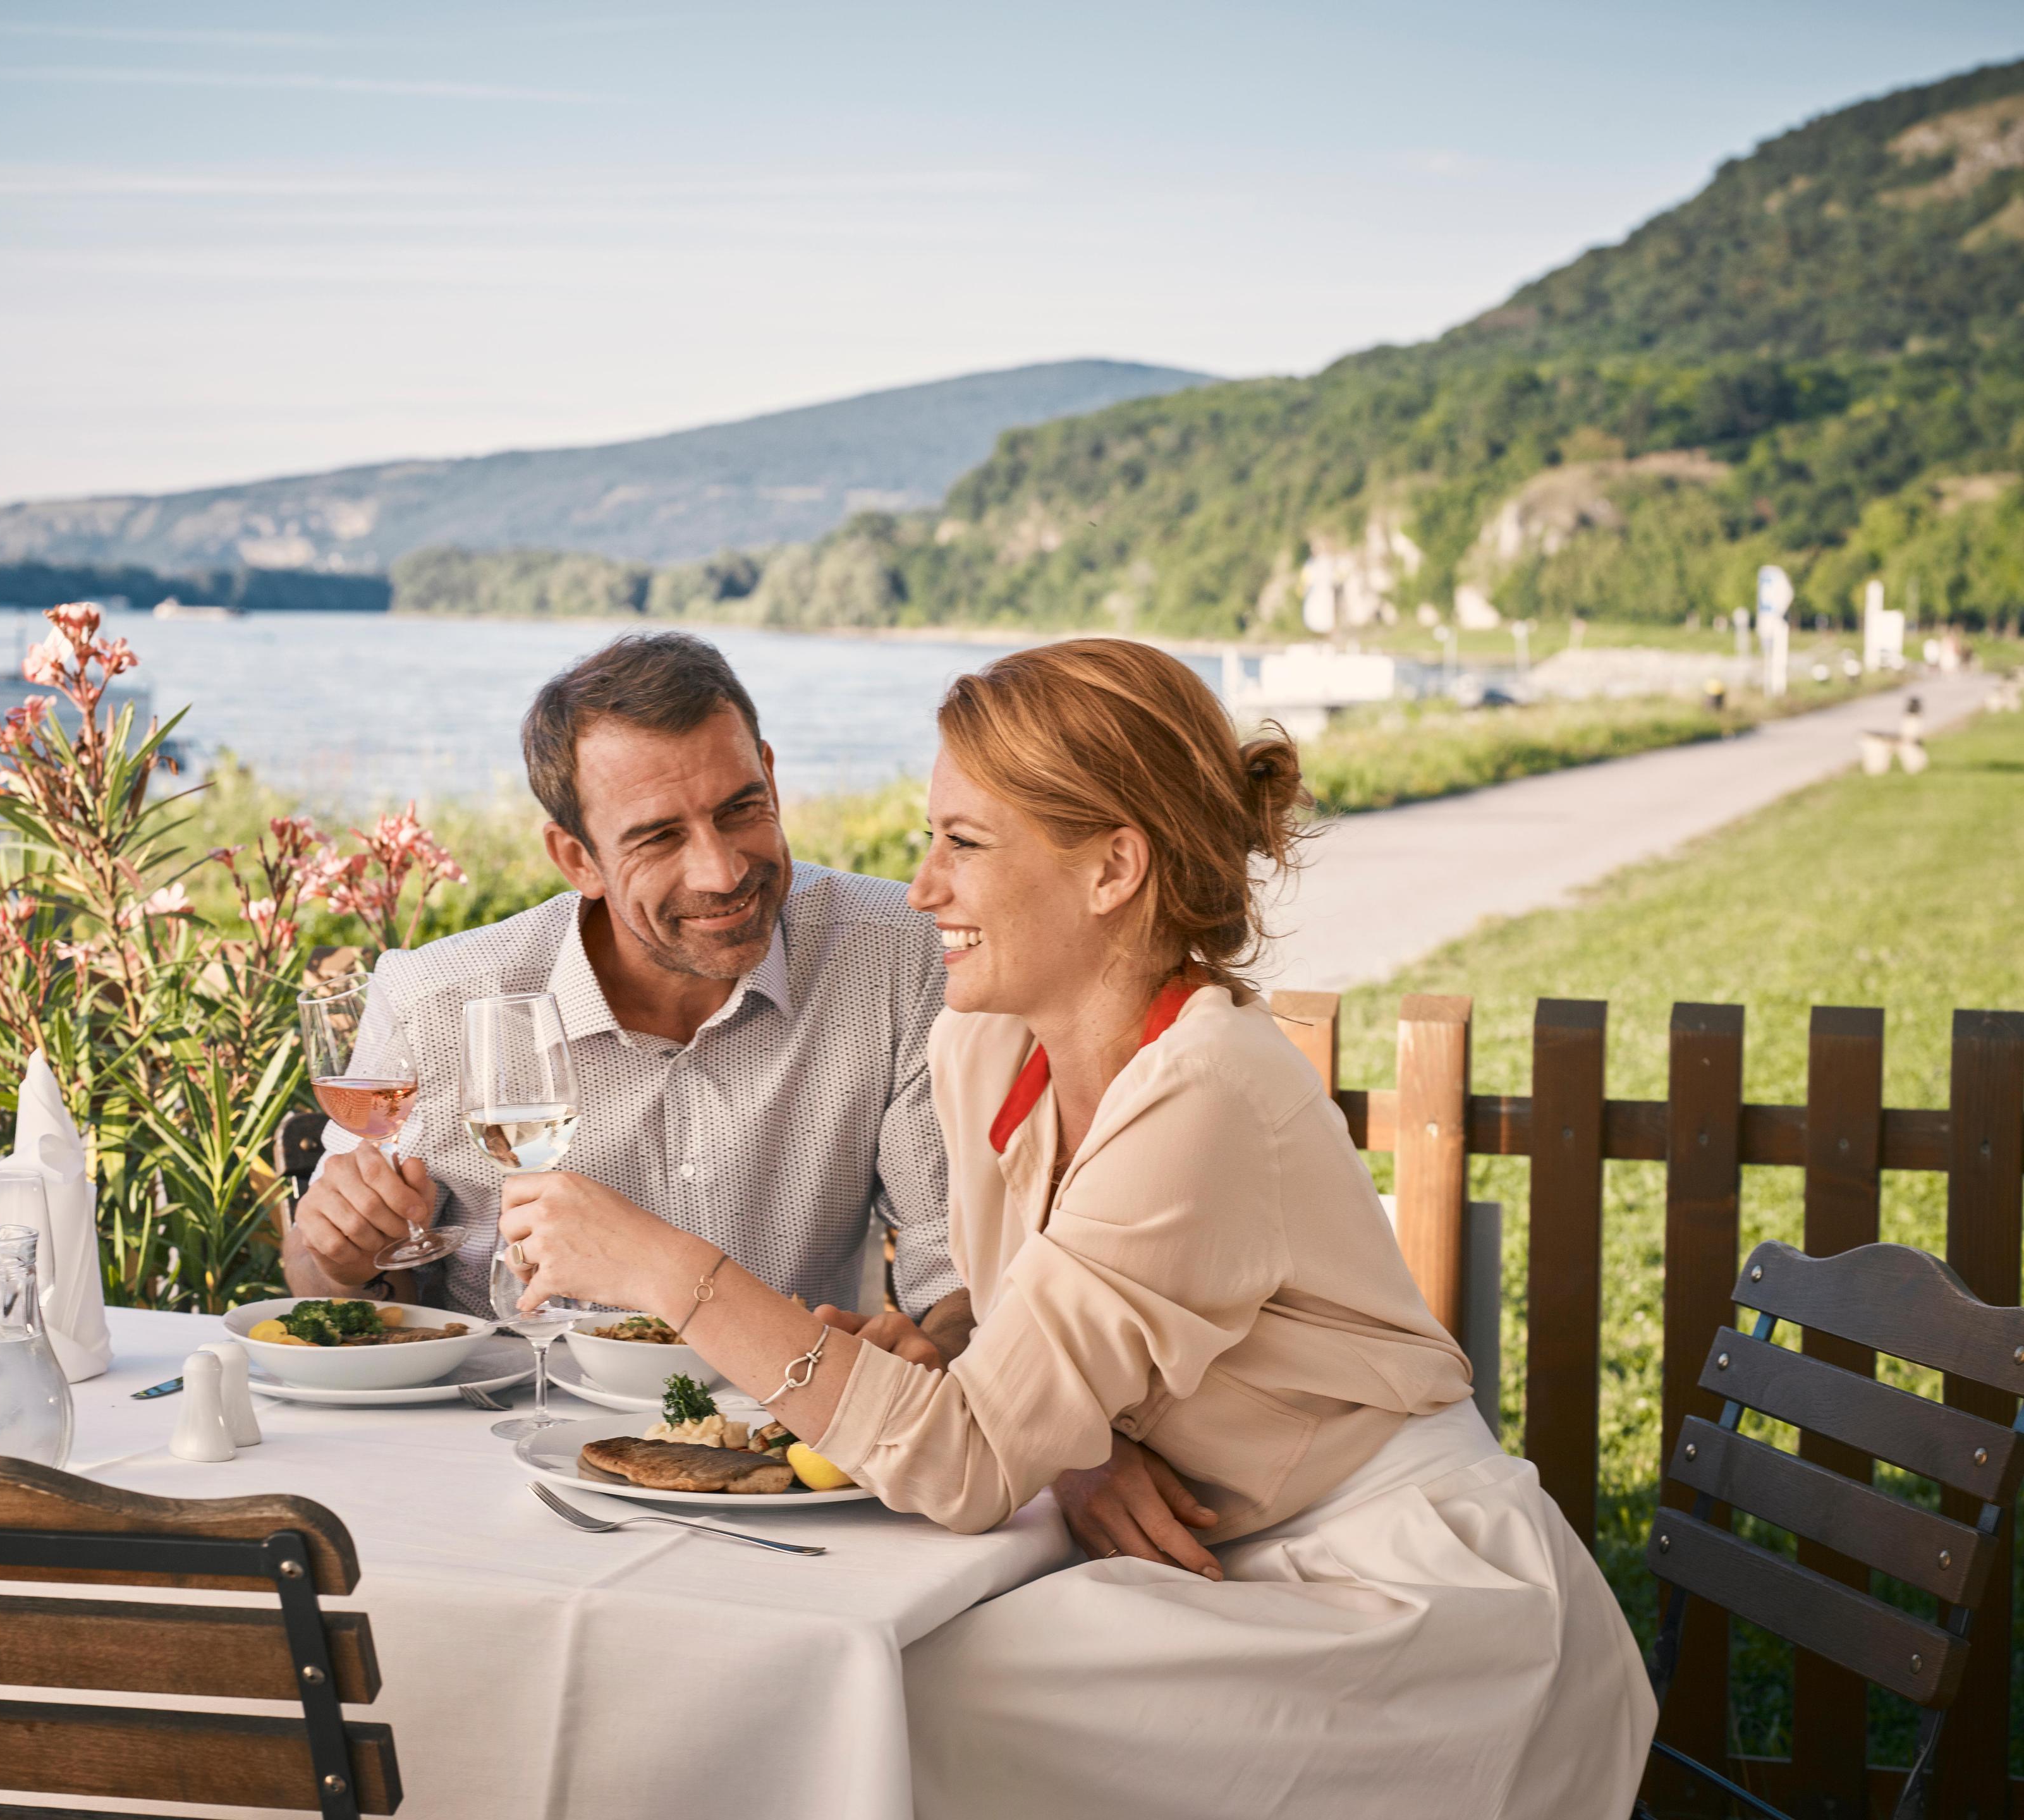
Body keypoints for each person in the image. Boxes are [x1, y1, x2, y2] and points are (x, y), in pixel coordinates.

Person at [496, 638, 1657, 1820]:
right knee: (848, 1672)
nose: (922, 889)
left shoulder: (1207, 1091)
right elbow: (1017, 1354)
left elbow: (966, 1465)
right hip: (1221, 1561)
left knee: (888, 1694)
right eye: (927, 838)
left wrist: (658, 1264)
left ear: (1112, 869)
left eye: (964, 844)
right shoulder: (986, 1047)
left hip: (1404, 1610)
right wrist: (945, 1351)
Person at [284, 631, 973, 1350]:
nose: (722, 871)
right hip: (504, 1423)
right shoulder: (437, 1001)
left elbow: (956, 1273)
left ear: (769, 776)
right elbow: (337, 1282)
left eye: (741, 809)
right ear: (577, 858)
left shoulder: (898, 952)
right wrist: (339, 1255)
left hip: (778, 1433)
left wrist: (941, 1354)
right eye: (660, 838)